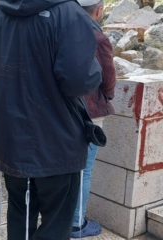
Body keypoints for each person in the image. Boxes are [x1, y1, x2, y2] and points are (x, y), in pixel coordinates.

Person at [0, 0, 102, 239]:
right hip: (58, 140)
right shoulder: (70, 14)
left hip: (10, 137)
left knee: (19, 216)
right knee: (57, 223)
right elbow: (80, 80)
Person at [72, 0, 116, 238]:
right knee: (84, 170)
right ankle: (77, 223)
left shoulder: (63, 31)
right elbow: (108, 79)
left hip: (66, 110)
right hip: (91, 113)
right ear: (99, 10)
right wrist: (106, 97)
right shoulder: (99, 39)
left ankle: (65, 217)